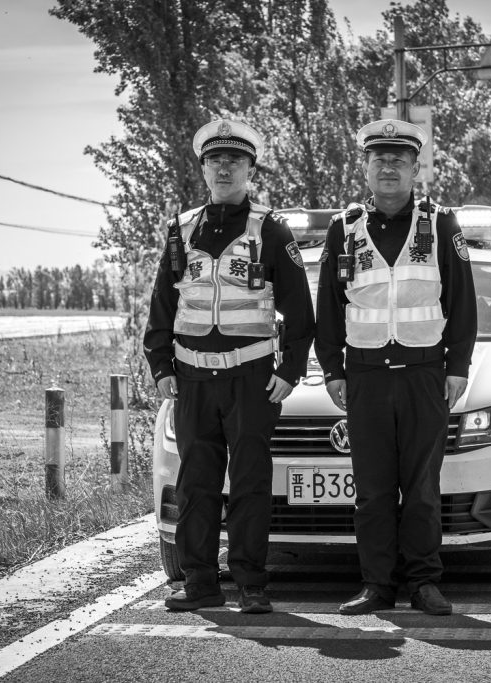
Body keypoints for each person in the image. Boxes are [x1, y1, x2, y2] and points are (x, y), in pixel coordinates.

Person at [144, 119, 314, 614]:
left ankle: (252, 583)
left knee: (250, 484)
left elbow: (300, 311)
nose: (224, 167)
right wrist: (161, 366)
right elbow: (161, 307)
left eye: (234, 160)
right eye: (215, 160)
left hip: (252, 378)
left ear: (249, 169)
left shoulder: (271, 229)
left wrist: (290, 370)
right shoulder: (181, 231)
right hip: (192, 378)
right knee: (196, 482)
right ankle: (200, 582)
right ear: (203, 169)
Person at [315, 119, 477, 616]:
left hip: (423, 374)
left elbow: (463, 303)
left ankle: (424, 583)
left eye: (399, 159)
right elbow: (328, 309)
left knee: (423, 489)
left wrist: (458, 367)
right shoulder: (344, 229)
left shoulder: (442, 225)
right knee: (373, 491)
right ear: (364, 167)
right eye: (379, 159)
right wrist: (333, 371)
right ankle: (377, 586)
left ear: (414, 169)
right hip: (364, 377)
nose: (388, 167)